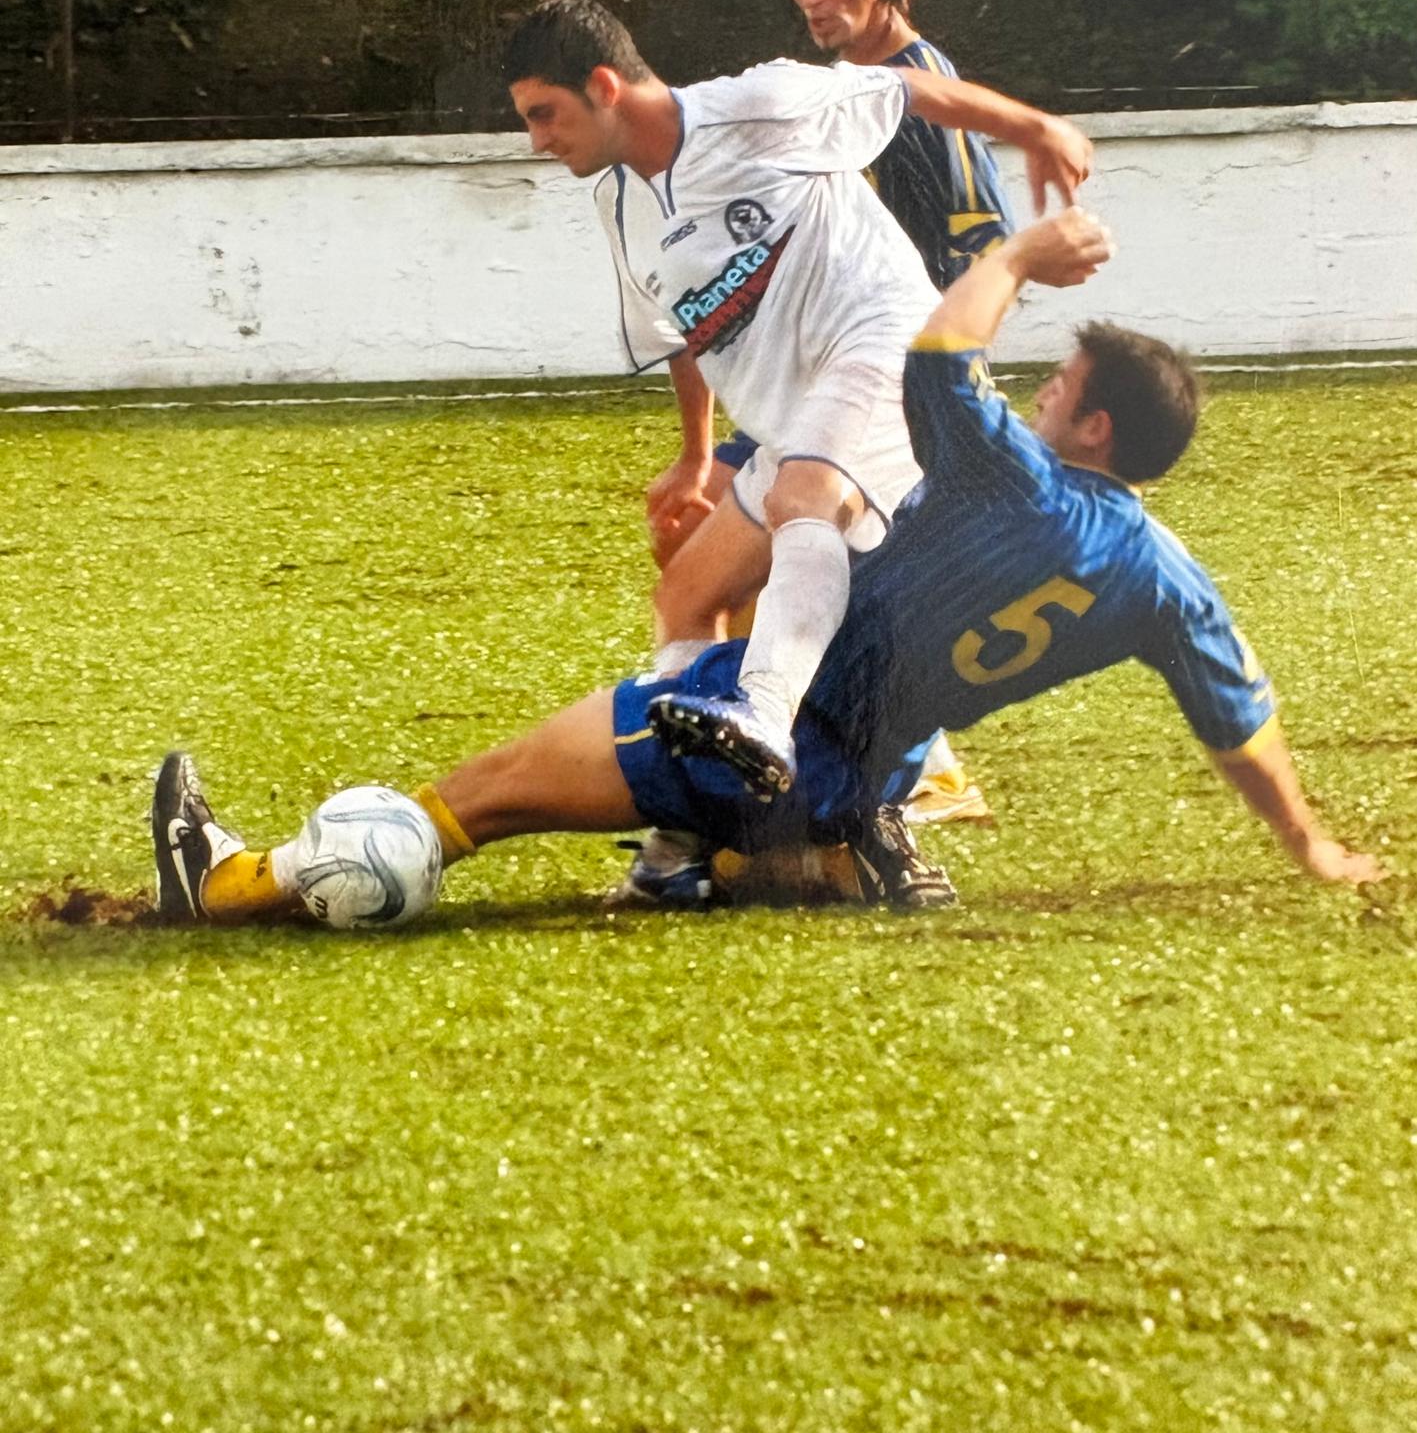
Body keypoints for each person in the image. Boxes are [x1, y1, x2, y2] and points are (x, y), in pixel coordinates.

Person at [152, 210, 1384, 928]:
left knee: (483, 794)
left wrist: (1015, 257)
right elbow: (1241, 725)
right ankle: (772, 858)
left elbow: (936, 359)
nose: (1037, 396)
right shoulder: (1167, 579)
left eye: (1057, 389)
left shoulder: (1016, 477)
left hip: (765, 737)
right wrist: (1309, 846)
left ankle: (231, 883)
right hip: (869, 777)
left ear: (1096, 427)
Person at [502, 0, 1091, 915]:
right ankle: (685, 841)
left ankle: (765, 716)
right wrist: (693, 457)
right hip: (796, 420)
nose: (537, 141)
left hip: (888, 354)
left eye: (544, 114)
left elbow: (904, 90)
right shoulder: (619, 202)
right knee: (687, 594)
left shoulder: (758, 104)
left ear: (604, 85)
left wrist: (1037, 128)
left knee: (804, 498)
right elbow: (682, 328)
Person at [650, 0, 1018, 832]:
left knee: (808, 556)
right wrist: (697, 444)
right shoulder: (819, 96)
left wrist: (938, 390)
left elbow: (984, 248)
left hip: (888, 382)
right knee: (695, 548)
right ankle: (742, 758)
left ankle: (891, 768)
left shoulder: (916, 88)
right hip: (808, 377)